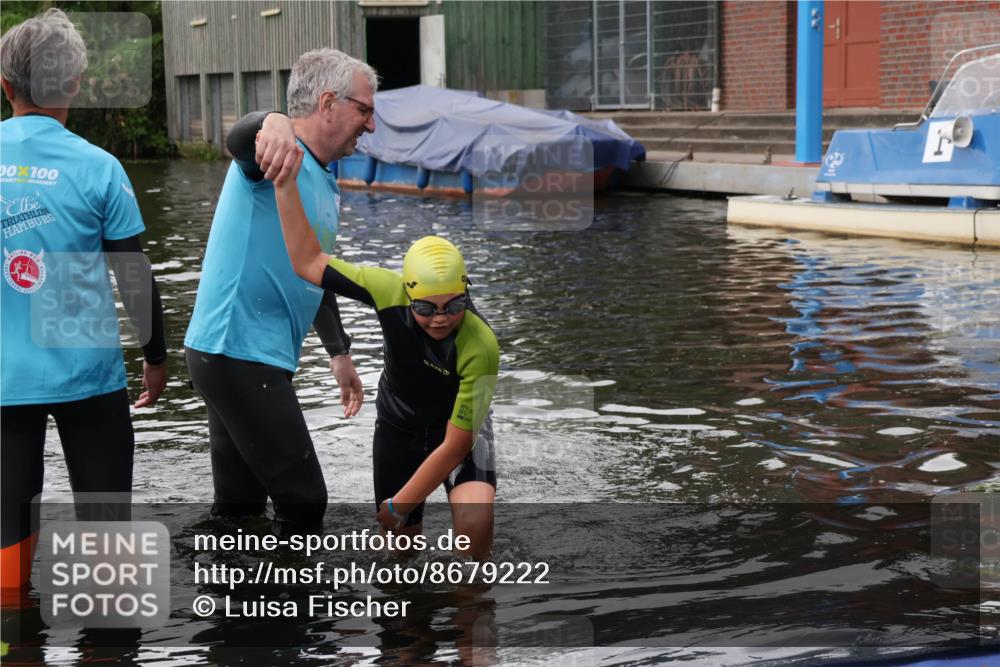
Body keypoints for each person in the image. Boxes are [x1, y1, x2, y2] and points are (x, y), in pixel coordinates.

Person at [0, 9, 168, 593]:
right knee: (105, 535)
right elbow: (133, 274)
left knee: (7, 546)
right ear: (73, 85)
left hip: (3, 381)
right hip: (88, 377)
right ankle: (106, 644)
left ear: (4, 85)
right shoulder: (100, 167)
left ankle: (13, 640)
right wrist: (155, 355)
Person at [271, 145, 500, 559]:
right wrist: (284, 184)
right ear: (408, 293)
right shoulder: (385, 290)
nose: (440, 319)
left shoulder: (481, 345)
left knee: (474, 531)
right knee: (400, 553)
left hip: (461, 434)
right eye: (426, 308)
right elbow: (307, 262)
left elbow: (456, 445)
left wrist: (401, 501)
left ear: (467, 293)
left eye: (454, 306)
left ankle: (472, 616)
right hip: (399, 430)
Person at [184, 48, 376, 535]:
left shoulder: (325, 177)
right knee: (305, 501)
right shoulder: (273, 157)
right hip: (238, 351)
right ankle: (299, 607)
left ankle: (227, 603)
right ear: (328, 103)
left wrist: (339, 352)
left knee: (239, 508)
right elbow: (239, 139)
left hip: (235, 354)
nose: (371, 126)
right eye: (365, 110)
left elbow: (312, 266)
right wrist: (272, 119)